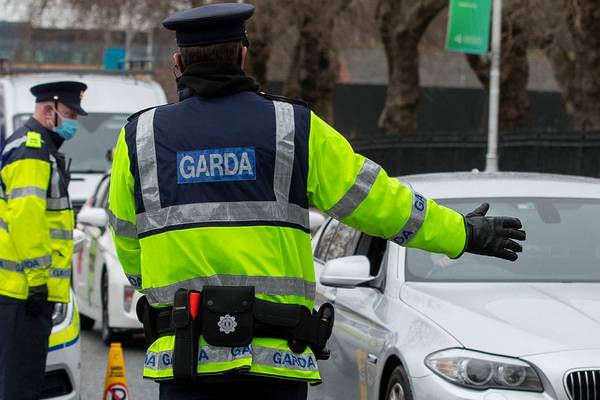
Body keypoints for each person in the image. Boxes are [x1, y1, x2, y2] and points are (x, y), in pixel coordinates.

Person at [108, 3, 525, 400]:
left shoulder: (140, 138)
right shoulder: (293, 127)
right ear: (243, 56)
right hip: (275, 361)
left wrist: (159, 289)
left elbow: (126, 237)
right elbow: (376, 201)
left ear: (178, 64)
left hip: (184, 359)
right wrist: (460, 232)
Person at [0, 81, 86, 400]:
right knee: (20, 386)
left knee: (21, 381)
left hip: (22, 290)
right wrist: (38, 279)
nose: (75, 121)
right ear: (49, 111)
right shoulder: (33, 149)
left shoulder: (37, 147)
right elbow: (26, 218)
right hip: (24, 291)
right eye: (70, 113)